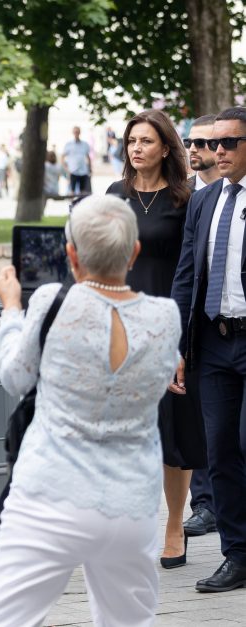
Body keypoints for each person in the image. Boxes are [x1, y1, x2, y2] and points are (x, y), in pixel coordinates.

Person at [0, 195, 180, 625]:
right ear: (134, 252)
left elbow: (14, 376)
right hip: (132, 503)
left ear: (71, 254)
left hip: (51, 495)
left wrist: (10, 310)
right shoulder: (165, 315)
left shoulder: (51, 300)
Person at [105, 109, 201, 570]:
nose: (136, 148)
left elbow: (191, 271)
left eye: (146, 141)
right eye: (131, 141)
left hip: (166, 323)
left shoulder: (187, 198)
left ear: (166, 147)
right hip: (121, 324)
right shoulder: (113, 195)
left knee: (171, 433)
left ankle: (174, 525)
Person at [171, 106, 246, 593]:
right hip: (213, 343)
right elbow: (184, 276)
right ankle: (237, 556)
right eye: (211, 144)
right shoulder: (205, 201)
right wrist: (176, 344)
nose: (216, 152)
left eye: (228, 144)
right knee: (218, 452)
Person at [180, 114, 223, 538]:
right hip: (201, 327)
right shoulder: (188, 198)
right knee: (205, 422)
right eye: (189, 142)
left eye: (203, 143)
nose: (195, 149)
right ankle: (205, 503)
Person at [63, 126, 93, 194]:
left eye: (77, 132)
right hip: (73, 171)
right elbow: (62, 157)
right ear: (73, 133)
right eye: (75, 132)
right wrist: (66, 168)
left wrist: (90, 168)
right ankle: (72, 204)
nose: (76, 134)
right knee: (72, 190)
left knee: (83, 191)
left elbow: (88, 157)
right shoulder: (69, 144)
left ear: (80, 133)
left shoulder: (85, 144)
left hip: (83, 171)